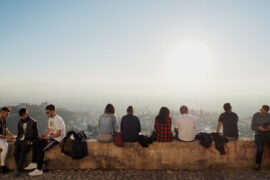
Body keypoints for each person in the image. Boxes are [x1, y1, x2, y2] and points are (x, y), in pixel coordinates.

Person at [24, 104, 66, 176]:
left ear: (53, 111)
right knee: (35, 142)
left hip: (56, 139)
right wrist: (44, 135)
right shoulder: (50, 119)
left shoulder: (58, 120)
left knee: (41, 149)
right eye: (46, 112)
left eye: (48, 112)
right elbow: (50, 129)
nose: (47, 114)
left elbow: (59, 133)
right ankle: (34, 163)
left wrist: (49, 137)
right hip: (50, 137)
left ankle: (39, 169)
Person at [13, 108, 38, 177]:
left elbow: (36, 135)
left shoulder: (33, 122)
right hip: (20, 140)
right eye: (21, 116)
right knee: (15, 154)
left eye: (23, 115)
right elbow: (19, 132)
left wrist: (31, 141)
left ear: (26, 114)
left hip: (28, 141)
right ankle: (19, 168)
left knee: (22, 154)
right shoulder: (20, 122)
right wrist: (17, 140)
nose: (22, 117)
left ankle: (17, 170)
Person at [251, 105, 270, 170]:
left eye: (266, 113)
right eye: (263, 112)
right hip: (259, 134)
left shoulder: (269, 115)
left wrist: (268, 128)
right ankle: (257, 164)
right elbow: (252, 127)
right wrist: (259, 128)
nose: (264, 114)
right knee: (260, 148)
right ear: (261, 110)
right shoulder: (255, 115)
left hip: (268, 134)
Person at [0, 106, 14, 174]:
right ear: (2, 112)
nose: (7, 116)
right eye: (7, 114)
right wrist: (6, 137)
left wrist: (10, 134)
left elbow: (5, 129)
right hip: (0, 138)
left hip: (2, 138)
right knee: (5, 147)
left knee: (14, 142)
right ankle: (2, 166)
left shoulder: (3, 120)